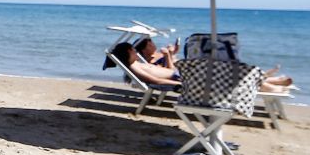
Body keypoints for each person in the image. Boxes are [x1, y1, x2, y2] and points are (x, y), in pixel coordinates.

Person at [115, 42, 295, 92]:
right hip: (181, 78)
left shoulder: (138, 63)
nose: (134, 50)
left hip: (181, 75)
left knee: (226, 77)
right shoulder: (135, 67)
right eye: (131, 49)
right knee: (226, 80)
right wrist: (179, 85)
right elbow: (153, 80)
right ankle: (269, 84)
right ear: (128, 53)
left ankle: (267, 80)